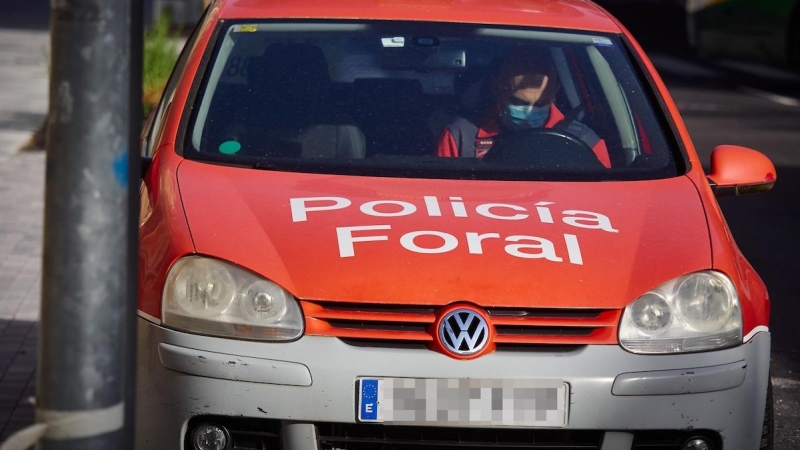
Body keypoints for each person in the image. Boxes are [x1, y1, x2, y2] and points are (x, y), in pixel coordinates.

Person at [437, 48, 611, 168]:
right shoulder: (461, 136)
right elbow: (440, 200)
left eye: (540, 104)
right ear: (497, 87)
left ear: (555, 92)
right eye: (519, 102)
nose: (529, 113)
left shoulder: (585, 142)